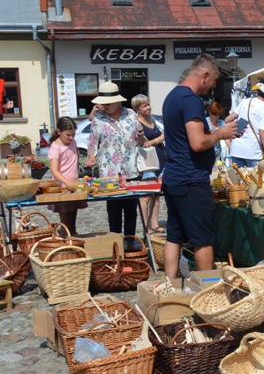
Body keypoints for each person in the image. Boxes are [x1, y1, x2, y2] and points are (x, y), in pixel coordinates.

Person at [161, 53, 240, 277]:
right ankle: (209, 288)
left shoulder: (172, 96)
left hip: (174, 177)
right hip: (191, 179)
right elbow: (197, 143)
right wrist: (220, 133)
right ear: (204, 75)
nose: (213, 87)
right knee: (203, 239)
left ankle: (169, 284)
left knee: (174, 236)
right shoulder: (190, 99)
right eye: (213, 81)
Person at [87, 81, 142, 243]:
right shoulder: (98, 118)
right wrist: (91, 157)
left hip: (130, 170)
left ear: (118, 101)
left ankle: (130, 243)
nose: (105, 106)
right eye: (103, 103)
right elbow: (92, 143)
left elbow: (140, 139)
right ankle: (116, 244)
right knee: (114, 211)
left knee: (131, 211)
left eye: (108, 103)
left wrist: (141, 136)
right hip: (109, 173)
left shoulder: (131, 114)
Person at [132, 94, 165, 234]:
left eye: (148, 104)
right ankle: (147, 227)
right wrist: (159, 139)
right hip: (147, 162)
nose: (148, 108)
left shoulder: (152, 119)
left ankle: (155, 224)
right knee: (145, 196)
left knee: (156, 194)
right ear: (138, 108)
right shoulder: (137, 123)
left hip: (159, 159)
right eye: (144, 106)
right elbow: (142, 144)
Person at [46, 117, 84, 235]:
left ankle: (73, 240)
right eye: (68, 135)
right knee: (66, 224)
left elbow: (75, 159)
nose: (71, 137)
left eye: (73, 134)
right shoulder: (55, 147)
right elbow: (54, 170)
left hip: (74, 186)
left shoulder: (73, 142)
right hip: (63, 188)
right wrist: (68, 183)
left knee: (72, 224)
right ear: (59, 132)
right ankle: (65, 241)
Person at [230, 83, 264, 169]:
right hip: (253, 151)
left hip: (236, 149)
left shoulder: (244, 102)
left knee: (238, 177)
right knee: (255, 177)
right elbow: (263, 132)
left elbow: (228, 119)